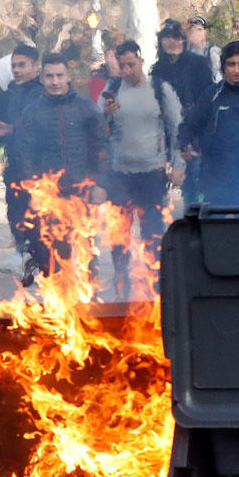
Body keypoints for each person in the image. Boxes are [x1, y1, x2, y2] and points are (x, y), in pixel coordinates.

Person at [98, 40, 184, 299]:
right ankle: (122, 289)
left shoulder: (159, 89)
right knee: (119, 238)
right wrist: (105, 114)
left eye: (131, 65)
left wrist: (177, 164)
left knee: (153, 236)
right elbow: (96, 132)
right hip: (120, 175)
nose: (127, 70)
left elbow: (176, 129)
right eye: (122, 65)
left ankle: (156, 290)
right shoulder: (111, 90)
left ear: (141, 61)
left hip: (152, 174)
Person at [16, 52, 109, 285]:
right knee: (58, 255)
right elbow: (25, 155)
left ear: (68, 76)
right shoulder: (32, 113)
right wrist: (34, 191)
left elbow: (102, 148)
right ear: (42, 78)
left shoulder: (87, 109)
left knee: (89, 254)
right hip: (52, 194)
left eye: (59, 75)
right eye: (49, 76)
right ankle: (63, 301)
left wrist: (101, 184)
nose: (55, 81)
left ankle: (91, 300)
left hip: (84, 190)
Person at [179, 41, 239, 206]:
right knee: (214, 221)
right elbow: (190, 123)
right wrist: (184, 144)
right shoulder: (212, 94)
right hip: (214, 175)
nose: (236, 70)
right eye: (231, 64)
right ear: (223, 66)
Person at [0, 44, 44, 276]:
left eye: (22, 65)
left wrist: (13, 129)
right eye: (14, 66)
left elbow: (39, 128)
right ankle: (20, 252)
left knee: (36, 214)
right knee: (15, 211)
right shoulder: (9, 93)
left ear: (35, 65)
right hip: (14, 163)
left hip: (38, 165)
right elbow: (0, 125)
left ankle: (38, 258)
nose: (17, 70)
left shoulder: (42, 92)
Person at [151, 19, 213, 205]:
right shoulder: (158, 70)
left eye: (177, 37)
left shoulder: (198, 64)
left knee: (196, 189)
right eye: (168, 37)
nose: (173, 42)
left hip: (195, 134)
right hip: (169, 137)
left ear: (183, 40)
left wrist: (199, 136)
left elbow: (208, 99)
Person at [187, 16, 222, 82]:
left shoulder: (212, 51)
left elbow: (219, 77)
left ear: (205, 32)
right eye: (193, 30)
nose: (196, 33)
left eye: (199, 30)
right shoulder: (186, 53)